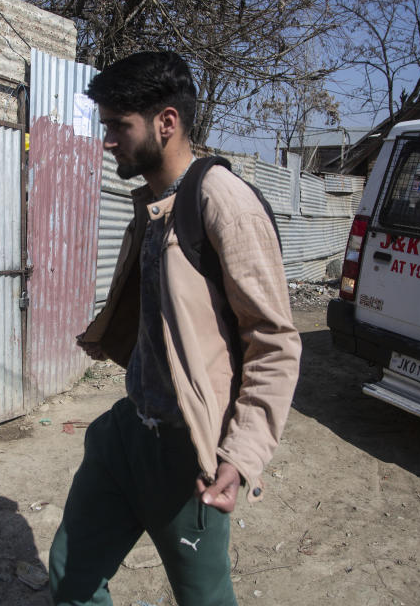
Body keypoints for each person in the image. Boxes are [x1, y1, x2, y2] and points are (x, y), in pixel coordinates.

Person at [48, 52, 302, 605]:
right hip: (129, 432)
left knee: (204, 598)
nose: (108, 139)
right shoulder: (154, 202)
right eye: (106, 125)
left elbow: (275, 341)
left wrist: (240, 456)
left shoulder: (223, 204)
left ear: (166, 122)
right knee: (72, 573)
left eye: (119, 125)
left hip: (187, 455)